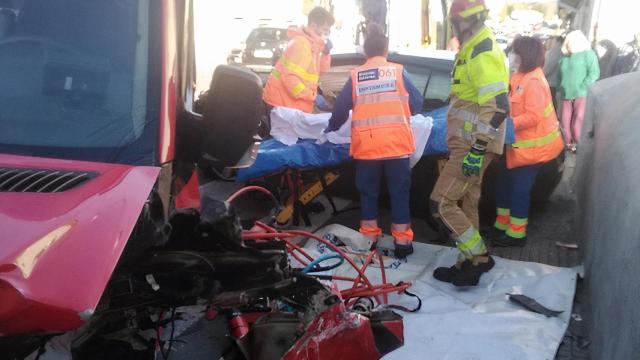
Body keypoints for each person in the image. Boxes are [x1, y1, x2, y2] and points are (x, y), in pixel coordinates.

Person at [324, 25, 424, 259]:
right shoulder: (398, 72)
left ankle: (368, 239)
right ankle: (402, 243)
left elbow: (340, 110)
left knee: (368, 193)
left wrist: (330, 128)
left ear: (364, 53)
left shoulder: (357, 76)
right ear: (386, 50)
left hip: (367, 149)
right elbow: (417, 102)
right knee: (399, 194)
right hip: (396, 147)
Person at [430, 0, 510, 286]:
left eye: (454, 22)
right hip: (468, 144)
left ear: (463, 21)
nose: (453, 27)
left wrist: (477, 149)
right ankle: (468, 261)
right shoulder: (471, 48)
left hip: (472, 147)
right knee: (467, 203)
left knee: (441, 204)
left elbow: (499, 105)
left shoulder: (481, 50)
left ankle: (479, 257)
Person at [488, 36, 564, 247]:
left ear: (525, 55)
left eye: (515, 51)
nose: (511, 55)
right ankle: (501, 226)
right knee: (503, 185)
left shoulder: (534, 81)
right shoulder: (519, 76)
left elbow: (533, 116)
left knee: (519, 191)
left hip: (531, 152)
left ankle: (516, 234)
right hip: (514, 147)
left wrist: (506, 124)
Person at [262, 7, 334, 114]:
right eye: (324, 29)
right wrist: (313, 97)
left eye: (328, 30)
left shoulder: (313, 46)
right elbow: (291, 80)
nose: (327, 34)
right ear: (313, 26)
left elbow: (321, 72)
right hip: (282, 104)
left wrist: (325, 54)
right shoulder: (302, 45)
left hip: (289, 104)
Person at [558, 30, 599, 152]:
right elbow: (559, 74)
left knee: (578, 121)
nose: (569, 44)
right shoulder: (564, 58)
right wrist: (560, 87)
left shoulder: (588, 54)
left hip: (581, 94)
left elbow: (594, 73)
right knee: (564, 121)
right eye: (567, 42)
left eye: (571, 42)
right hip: (565, 94)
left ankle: (579, 146)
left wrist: (583, 86)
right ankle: (568, 145)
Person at [543, 36, 563, 111]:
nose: (550, 43)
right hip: (557, 84)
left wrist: (541, 76)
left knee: (549, 106)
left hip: (550, 83)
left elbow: (547, 68)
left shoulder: (554, 52)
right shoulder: (562, 52)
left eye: (552, 41)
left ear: (557, 42)